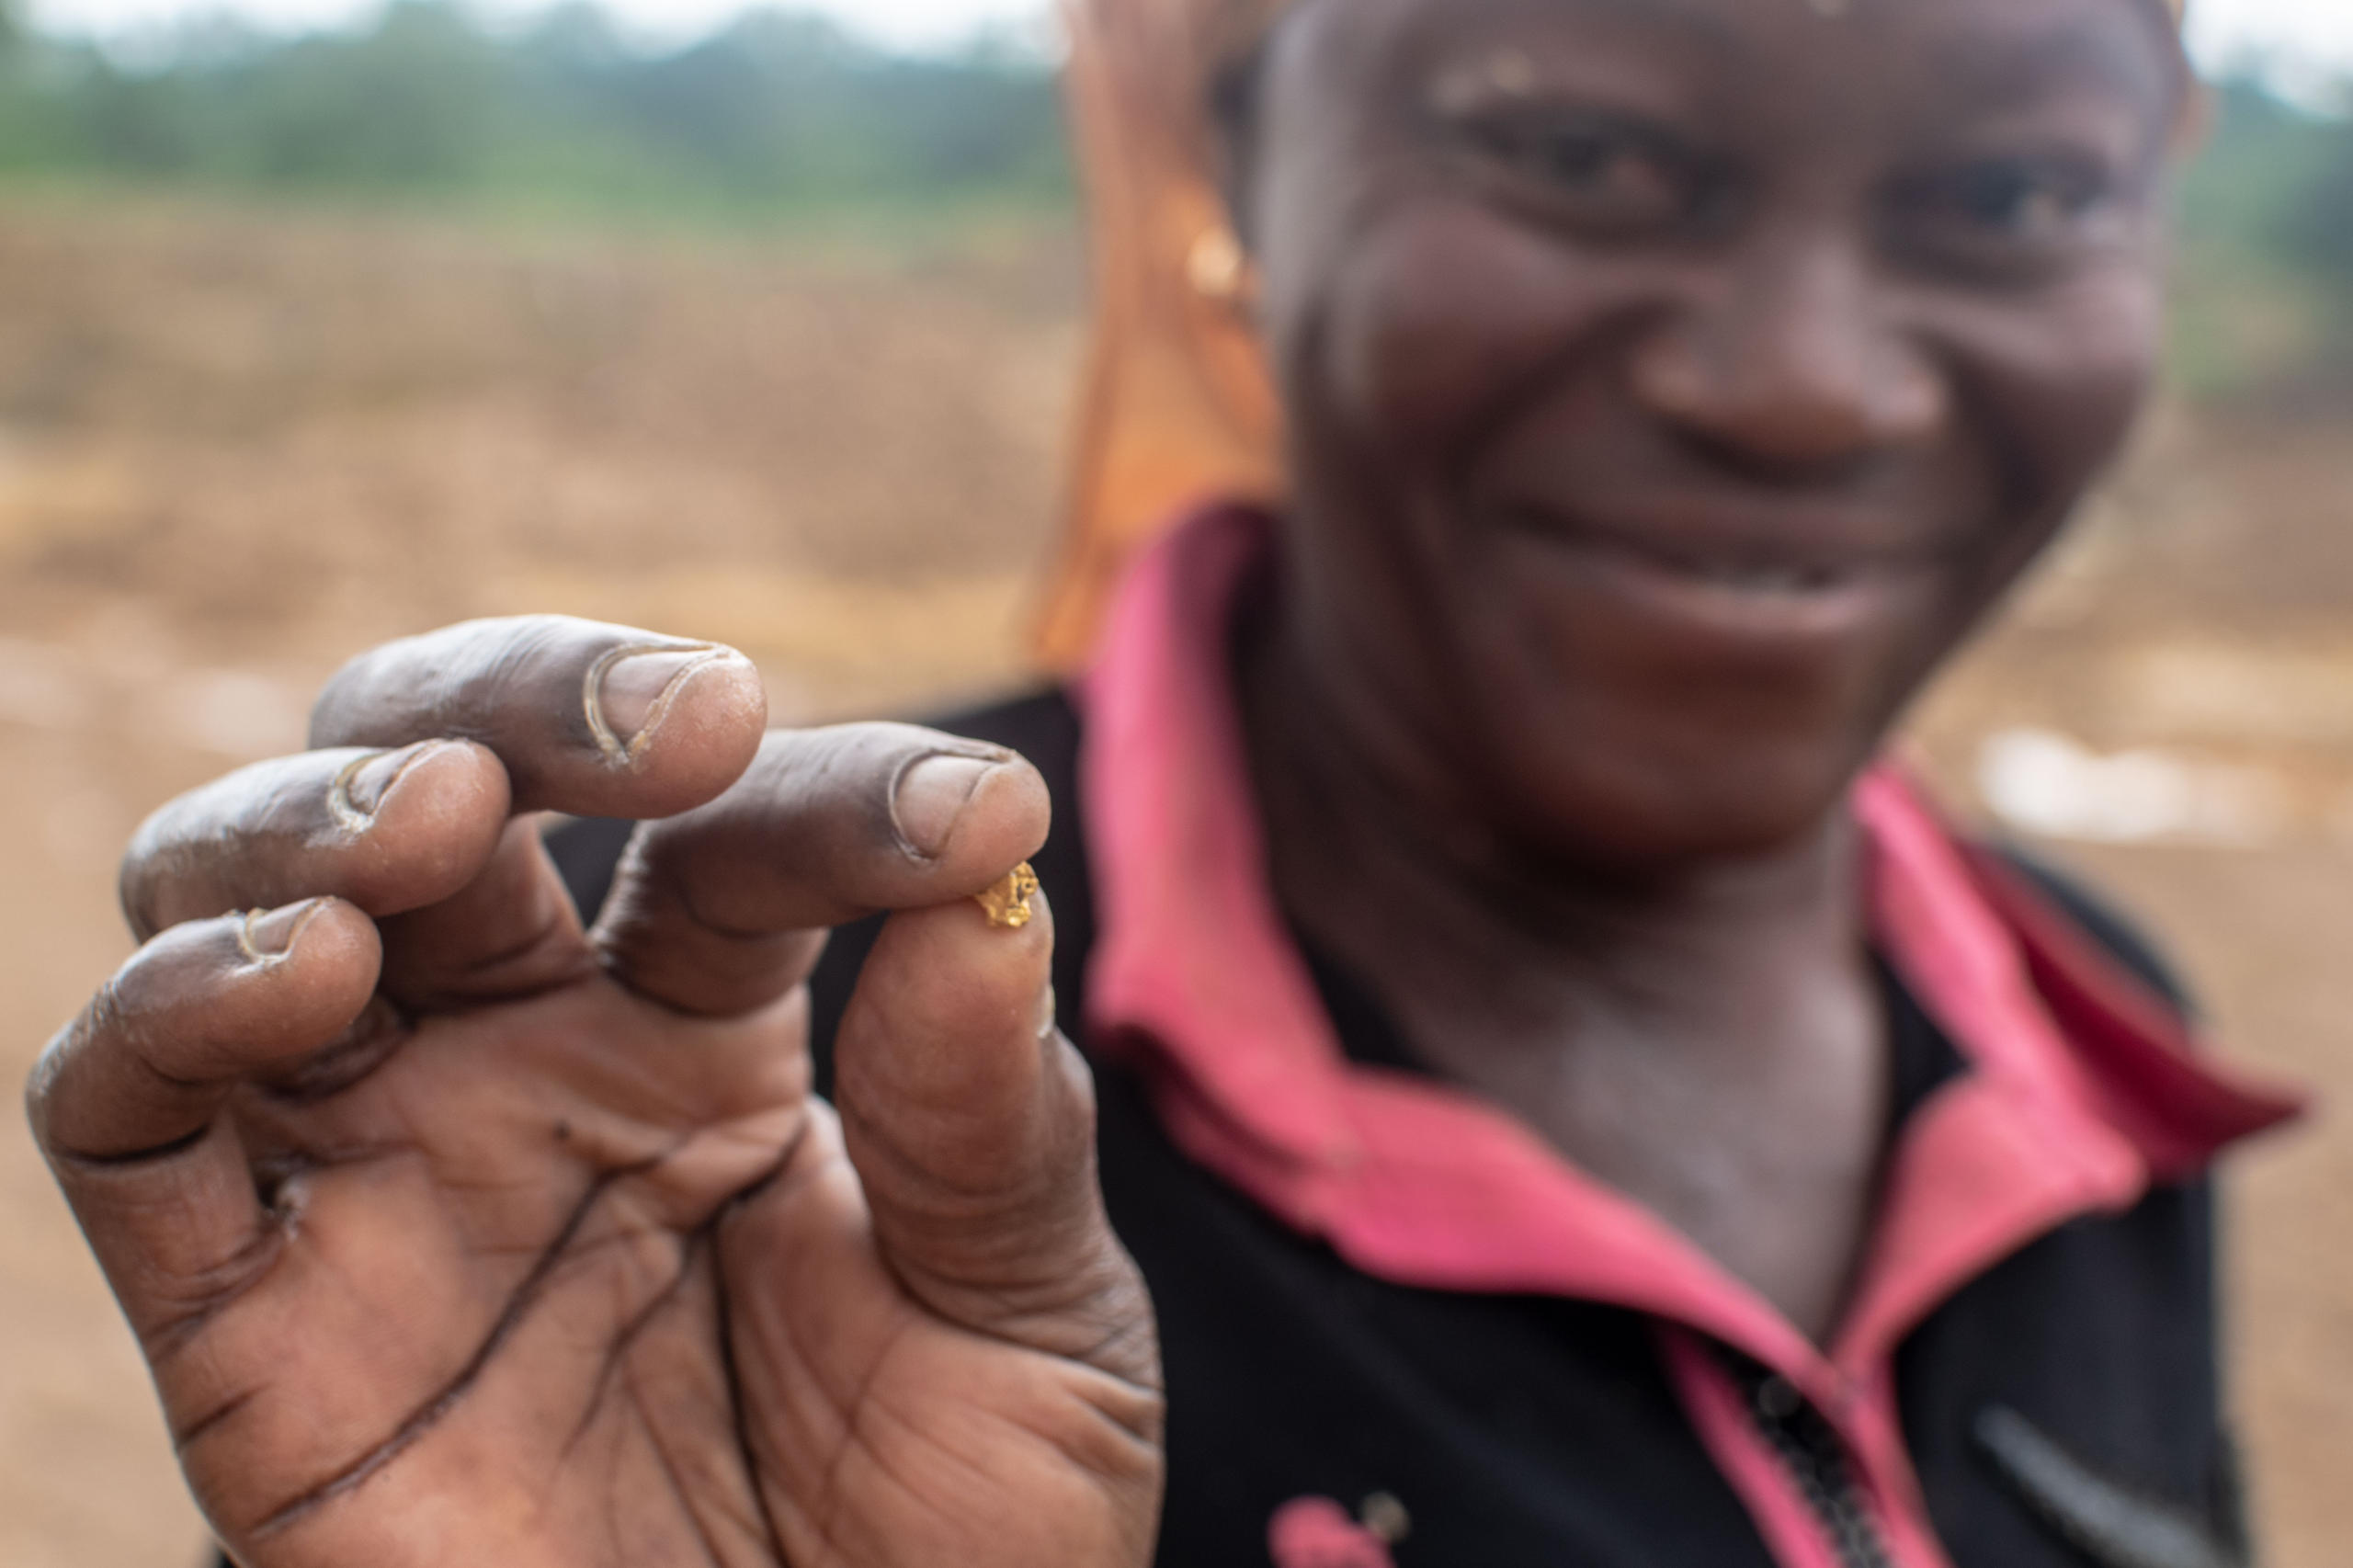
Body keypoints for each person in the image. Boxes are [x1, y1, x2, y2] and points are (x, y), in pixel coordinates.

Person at [26, 0, 2305, 1564]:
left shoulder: (2071, 1028)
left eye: (2011, 198)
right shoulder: (727, 1049)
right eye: (1588, 152)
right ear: (1221, 165)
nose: (1810, 385)